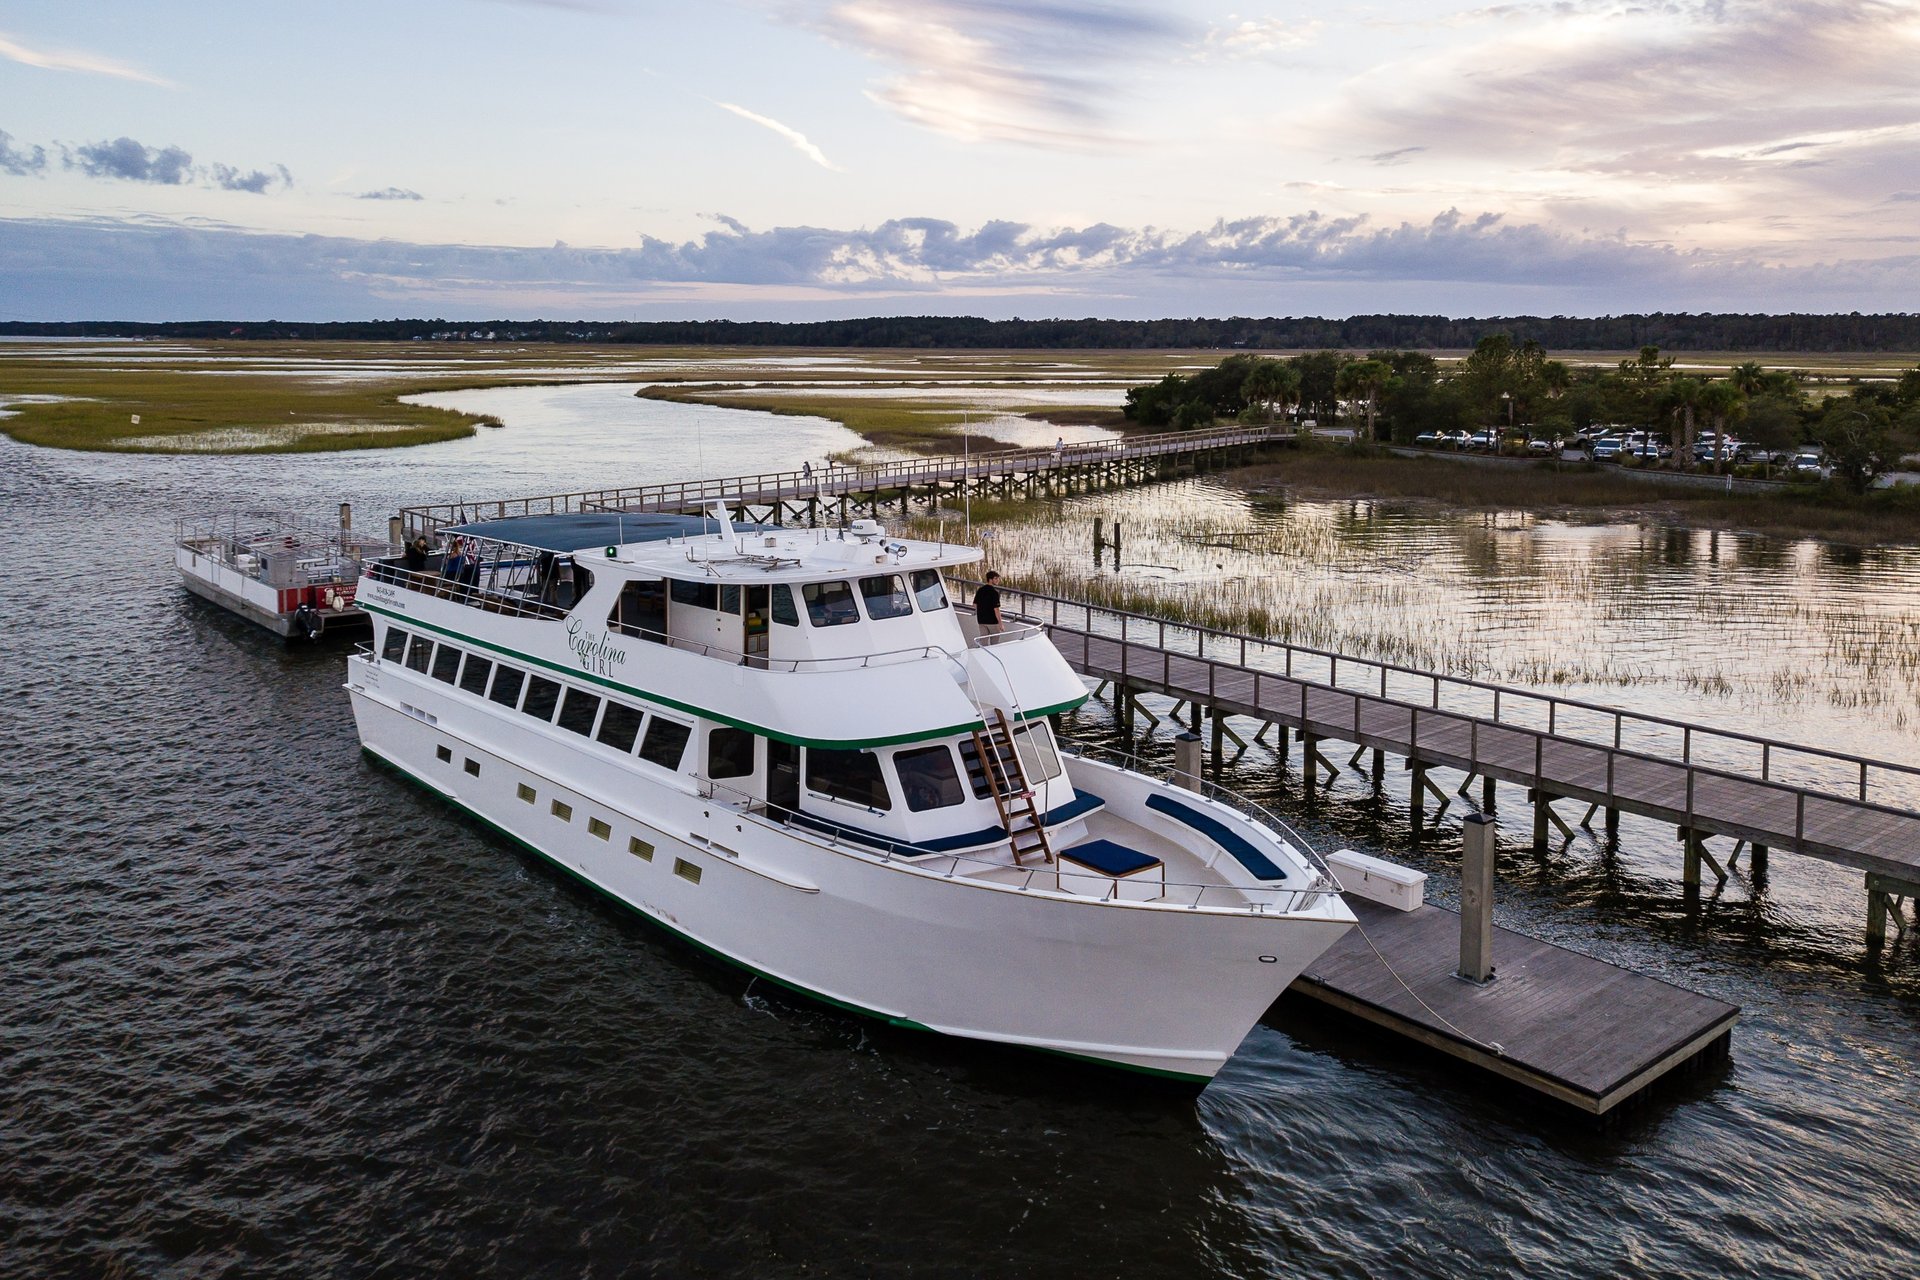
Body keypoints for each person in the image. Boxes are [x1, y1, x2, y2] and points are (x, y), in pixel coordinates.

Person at [975, 570, 1004, 636]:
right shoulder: (994, 593)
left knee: (983, 641)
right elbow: (996, 609)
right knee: (994, 643)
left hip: (981, 620)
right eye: (996, 578)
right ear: (990, 580)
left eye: (998, 578)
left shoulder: (980, 590)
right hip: (992, 621)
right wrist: (1000, 624)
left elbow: (974, 605)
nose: (998, 580)